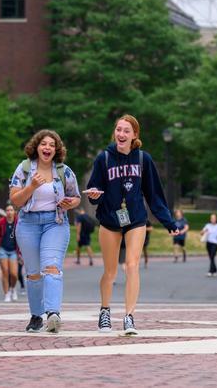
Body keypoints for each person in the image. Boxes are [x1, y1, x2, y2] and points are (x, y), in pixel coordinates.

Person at [85, 115, 180, 335]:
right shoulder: (104, 158)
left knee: (132, 265)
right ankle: (105, 311)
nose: (121, 134)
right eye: (118, 130)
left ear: (134, 135)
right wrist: (94, 195)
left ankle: (129, 316)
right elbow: (94, 192)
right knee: (110, 272)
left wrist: (168, 221)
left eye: (126, 131)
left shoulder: (143, 160)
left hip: (136, 219)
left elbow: (154, 194)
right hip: (109, 219)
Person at [10, 130, 81, 333]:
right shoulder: (24, 169)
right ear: (36, 147)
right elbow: (15, 200)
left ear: (56, 149)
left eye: (51, 145)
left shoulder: (64, 171)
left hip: (55, 222)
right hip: (28, 223)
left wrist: (69, 204)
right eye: (44, 144)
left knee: (51, 267)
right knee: (33, 274)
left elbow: (75, 197)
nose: (47, 148)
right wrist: (31, 186)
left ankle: (53, 314)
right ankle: (36, 316)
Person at [0, 204, 20, 302]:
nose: (9, 212)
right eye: (7, 210)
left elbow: (22, 238)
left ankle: (13, 289)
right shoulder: (1, 223)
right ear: (5, 212)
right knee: (5, 272)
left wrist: (21, 254)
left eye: (11, 210)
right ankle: (7, 294)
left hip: (14, 251)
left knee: (14, 274)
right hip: (3, 250)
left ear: (14, 212)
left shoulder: (18, 222)